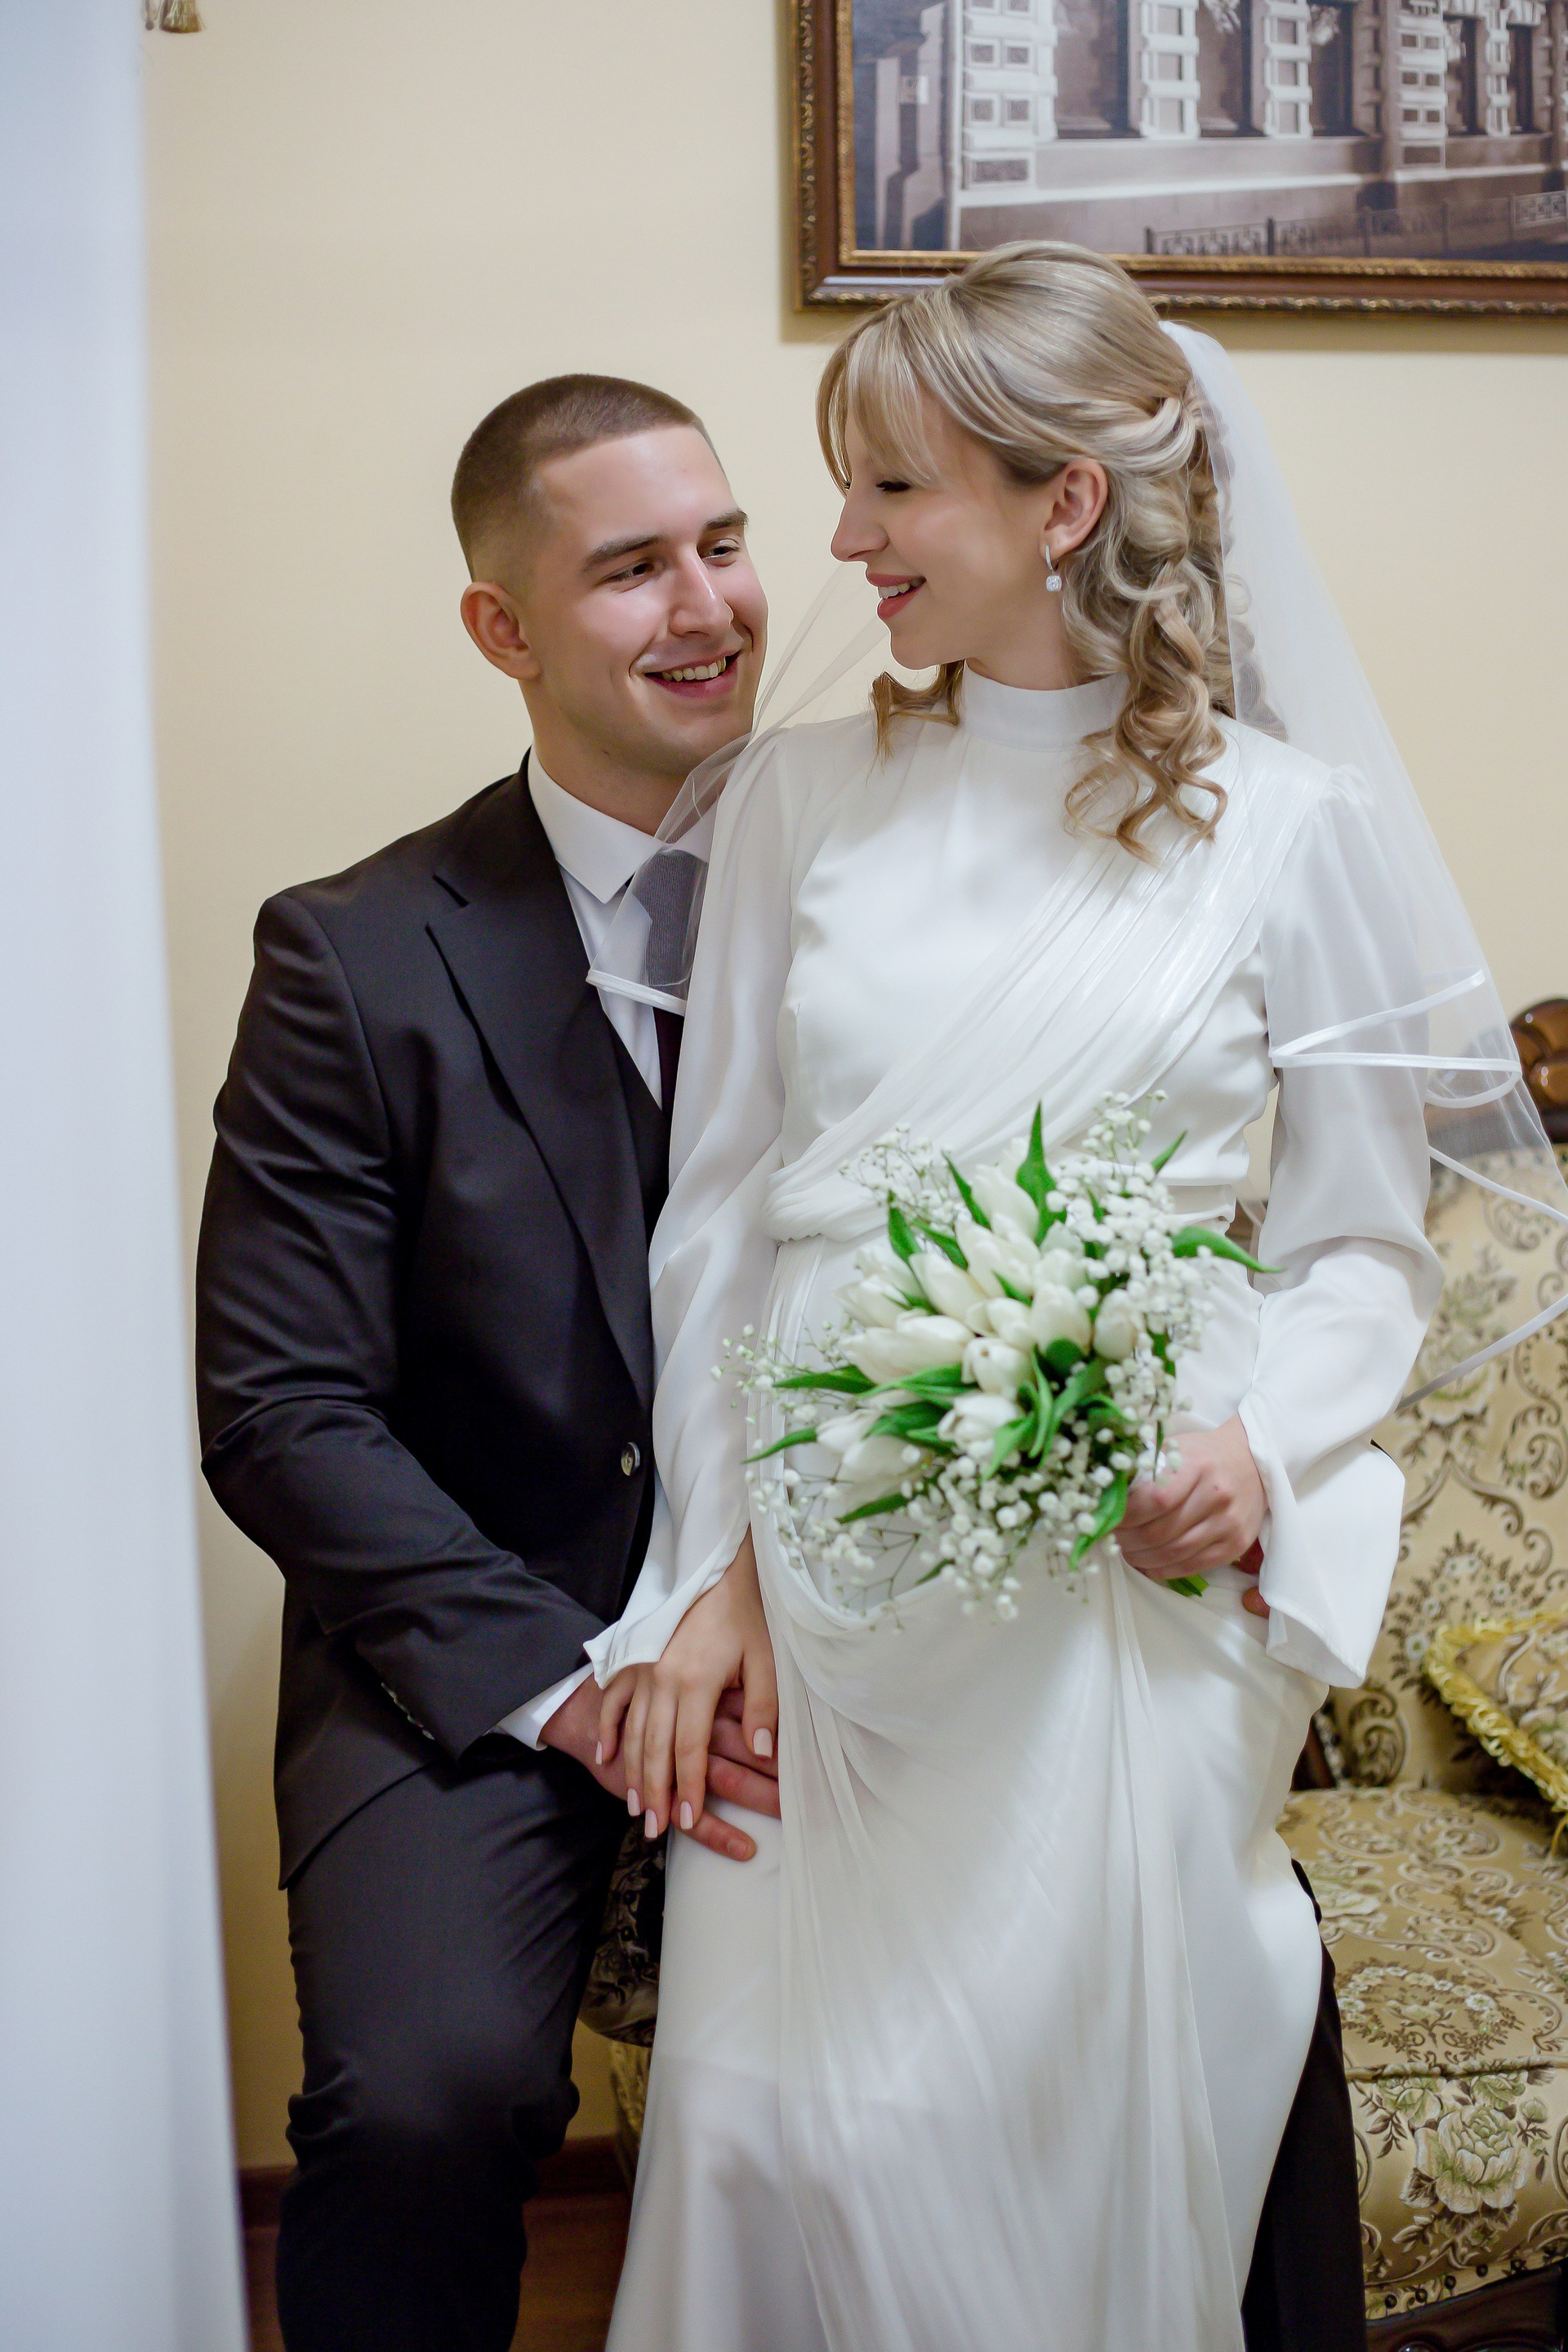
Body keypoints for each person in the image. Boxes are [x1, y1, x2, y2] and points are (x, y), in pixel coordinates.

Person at [588, 248, 1455, 2351]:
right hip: (826, 1585)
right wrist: (713, 1577)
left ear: (1063, 505)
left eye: (892, 488)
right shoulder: (794, 804)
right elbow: (719, 1229)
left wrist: (1255, 1451)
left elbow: (1364, 1243)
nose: (840, 543)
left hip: (1120, 1590)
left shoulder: (1292, 832)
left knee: (1070, 2124)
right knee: (767, 2128)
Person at [194, 373, 782, 2352]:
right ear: (501, 628)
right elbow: (279, 1407)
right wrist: (573, 1690)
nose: (705, 606)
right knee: (422, 2104)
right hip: (485, 1641)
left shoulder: (885, 883)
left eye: (723, 543)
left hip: (821, 1617)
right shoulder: (354, 954)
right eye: (631, 569)